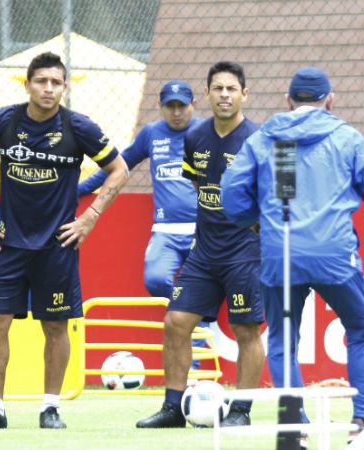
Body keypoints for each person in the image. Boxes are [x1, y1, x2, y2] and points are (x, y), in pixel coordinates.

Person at [222, 67, 364, 445]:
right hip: (334, 254)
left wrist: (256, 223)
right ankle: (361, 424)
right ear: (330, 101)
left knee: (283, 340)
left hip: (280, 253)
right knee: (361, 330)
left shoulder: (266, 139)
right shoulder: (347, 137)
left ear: (289, 101)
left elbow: (231, 195)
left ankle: (294, 427)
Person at [0, 52, 128, 430]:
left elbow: (119, 170)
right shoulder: (4, 121)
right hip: (8, 244)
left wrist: (89, 217)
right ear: (28, 84)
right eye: (42, 81)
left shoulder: (78, 127)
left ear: (64, 87)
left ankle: (50, 407)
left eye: (56, 82)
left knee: (55, 326)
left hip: (57, 247)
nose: (49, 89)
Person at [136, 61, 264, 428]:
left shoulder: (257, 140)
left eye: (231, 89)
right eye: (218, 88)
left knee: (246, 330)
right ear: (206, 94)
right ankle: (173, 409)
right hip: (204, 251)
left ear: (244, 94)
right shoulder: (194, 138)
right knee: (176, 321)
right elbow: (198, 185)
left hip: (244, 252)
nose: (224, 95)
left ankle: (240, 411)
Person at [78, 80, 210, 367]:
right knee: (155, 279)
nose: (176, 112)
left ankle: (195, 366)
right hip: (165, 230)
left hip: (204, 231)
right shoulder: (151, 133)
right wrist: (79, 190)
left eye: (182, 106)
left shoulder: (207, 131)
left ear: (194, 105)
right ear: (160, 107)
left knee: (199, 289)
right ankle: (196, 323)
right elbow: (119, 166)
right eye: (170, 106)